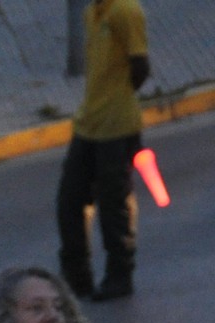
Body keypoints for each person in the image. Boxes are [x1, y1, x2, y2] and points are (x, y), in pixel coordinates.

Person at [57, 0, 148, 301]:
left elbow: (141, 67)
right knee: (69, 201)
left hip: (117, 127)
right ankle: (77, 277)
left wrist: (117, 100)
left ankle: (120, 275)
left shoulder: (125, 10)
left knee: (113, 204)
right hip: (89, 123)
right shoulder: (91, 14)